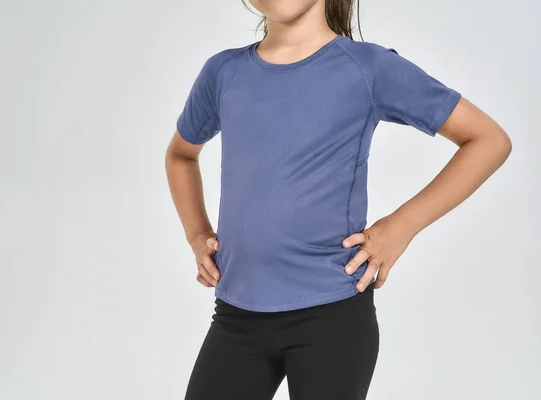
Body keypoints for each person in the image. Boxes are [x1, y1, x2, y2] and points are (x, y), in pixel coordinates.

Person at [165, 1, 512, 398]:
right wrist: (197, 234)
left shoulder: (368, 68)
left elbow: (488, 141)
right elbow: (180, 154)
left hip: (331, 318)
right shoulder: (223, 72)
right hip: (236, 314)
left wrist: (400, 227)